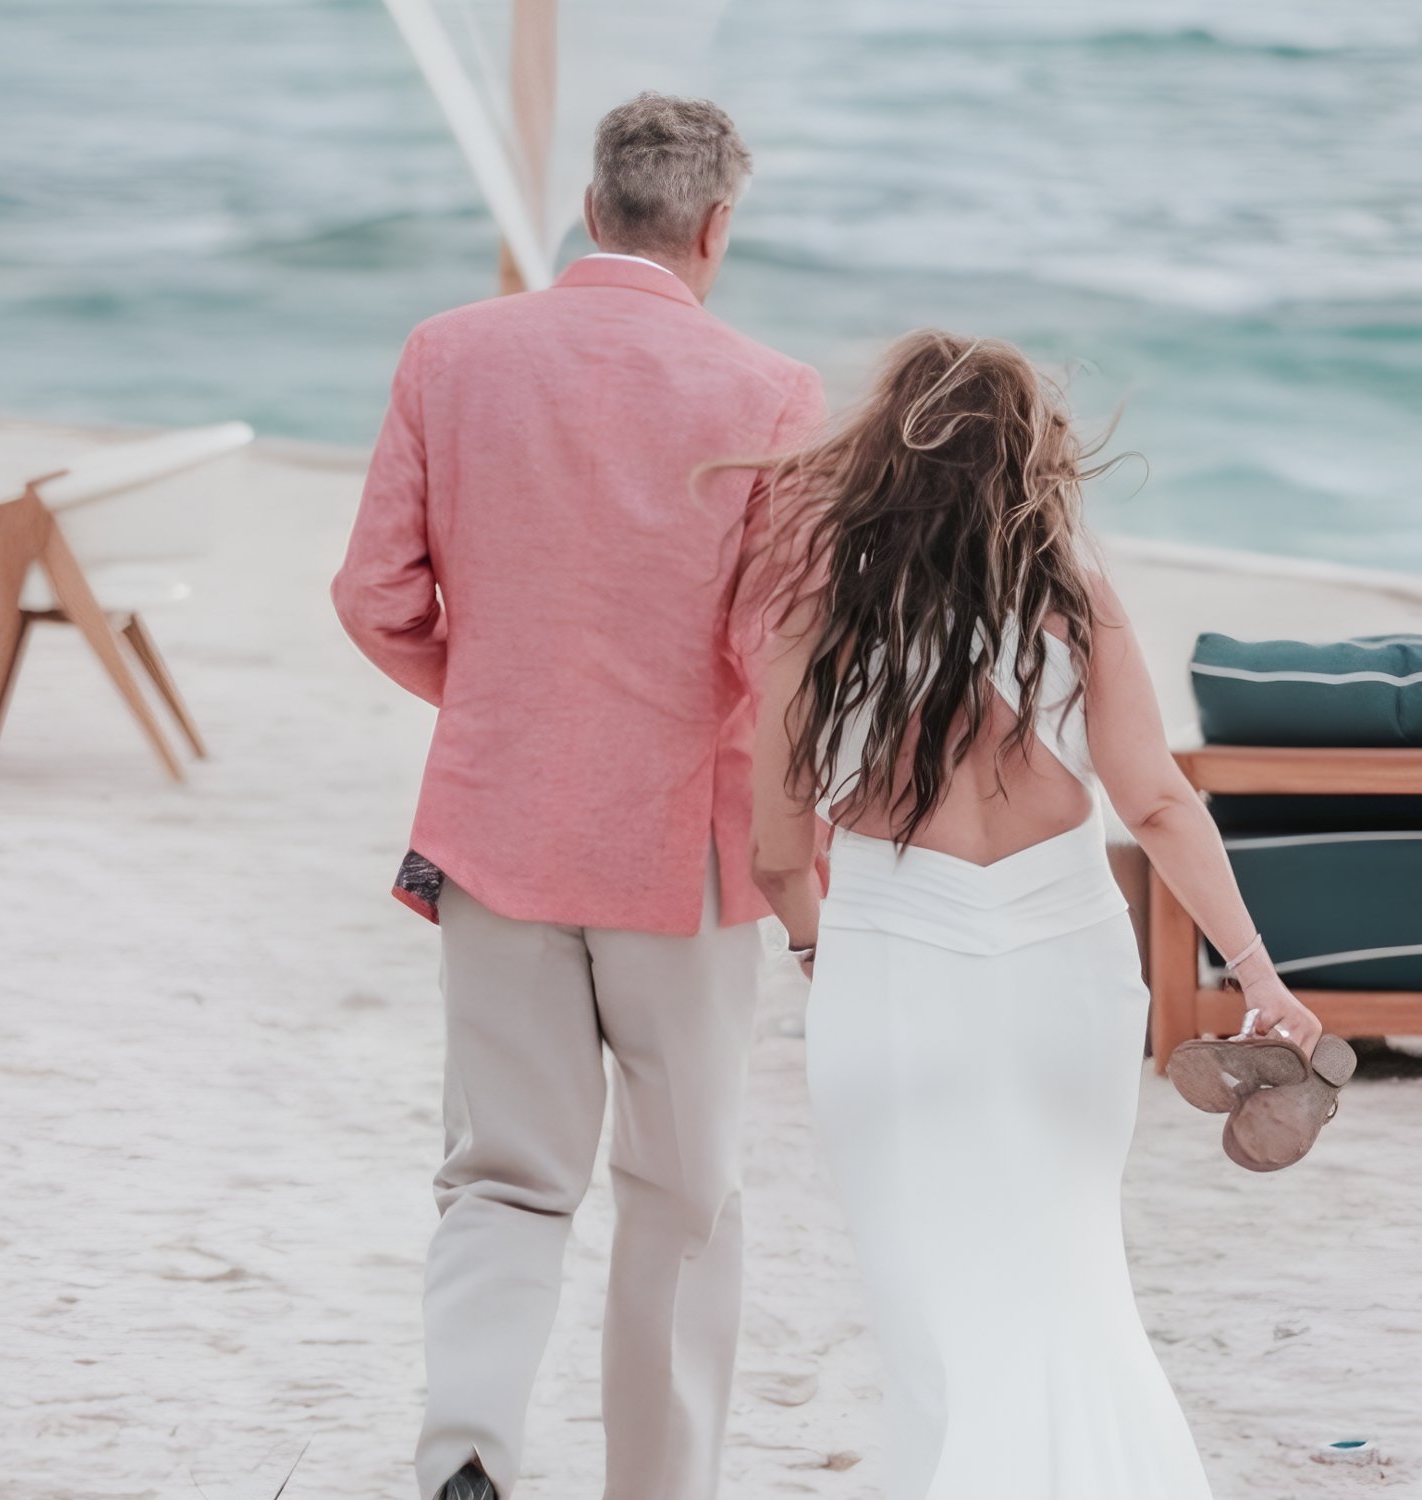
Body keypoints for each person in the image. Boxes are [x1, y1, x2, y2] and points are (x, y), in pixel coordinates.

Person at [331, 93, 823, 1500]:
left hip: (496, 829)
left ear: (594, 210)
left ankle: (468, 1459)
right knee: (678, 1199)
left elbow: (373, 597)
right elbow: (777, 661)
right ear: (716, 228)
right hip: (686, 859)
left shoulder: (449, 354)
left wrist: (500, 704)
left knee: (501, 1176)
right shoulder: (772, 393)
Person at [742, 331, 1329, 1495]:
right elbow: (1158, 802)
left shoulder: (822, 620)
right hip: (1064, 987)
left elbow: (773, 849)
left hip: (889, 988)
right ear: (1025, 464)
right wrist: (1257, 974)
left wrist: (818, 943)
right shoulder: (1074, 602)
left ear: (883, 462)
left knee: (924, 1303)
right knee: (1069, 1275)